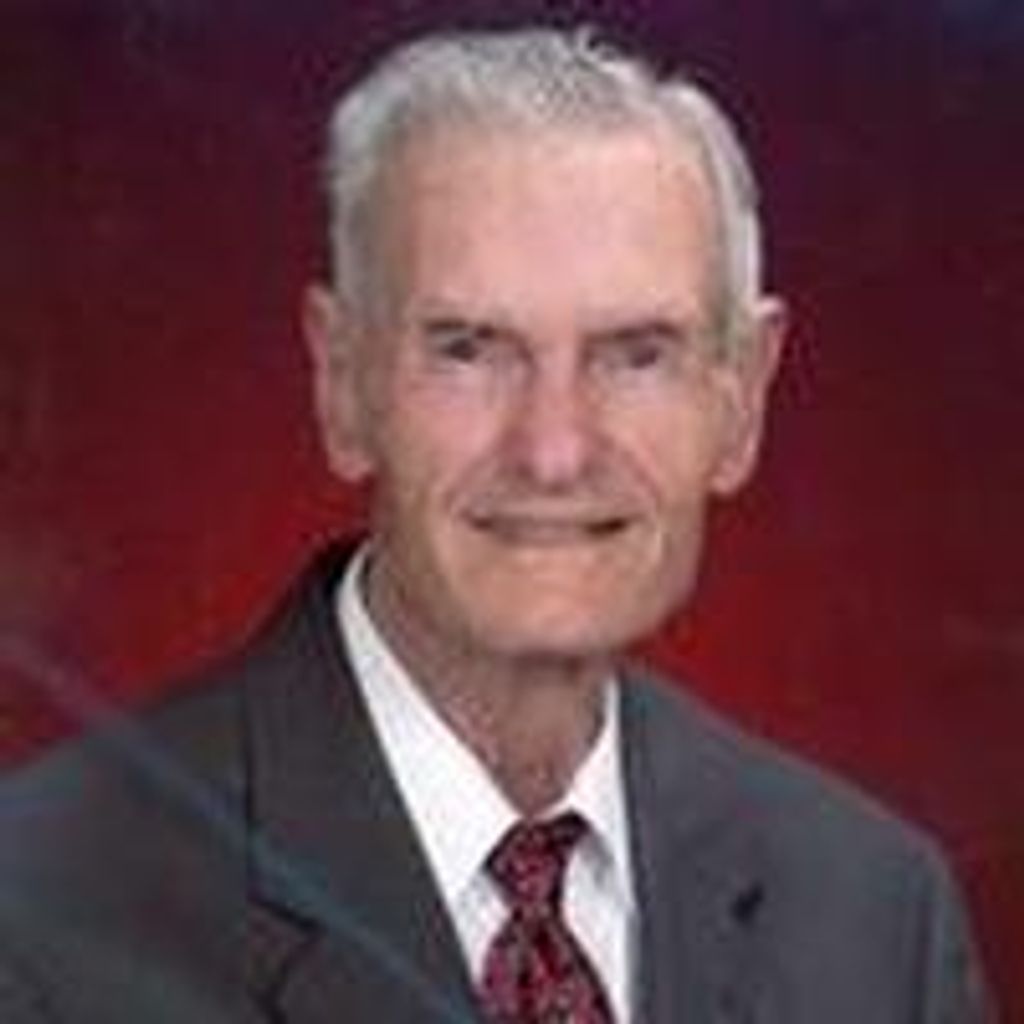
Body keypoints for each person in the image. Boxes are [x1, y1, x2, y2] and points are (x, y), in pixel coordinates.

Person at [0, 26, 992, 1024]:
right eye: (469, 348)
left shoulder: (877, 920)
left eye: (637, 353)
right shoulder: (35, 917)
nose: (553, 450)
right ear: (342, 381)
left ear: (741, 399)